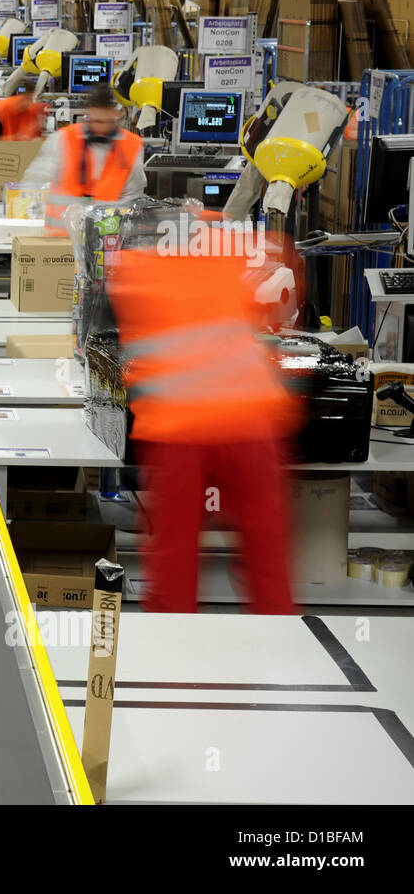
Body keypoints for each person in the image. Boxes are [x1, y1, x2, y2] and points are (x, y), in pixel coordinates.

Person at [105, 220, 301, 614]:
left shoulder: (130, 270)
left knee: (173, 558)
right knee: (267, 558)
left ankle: (171, 661)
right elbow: (285, 265)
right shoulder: (231, 251)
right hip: (249, 420)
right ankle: (280, 646)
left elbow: (125, 347)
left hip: (179, 428)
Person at [22, 83, 145, 234]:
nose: (98, 128)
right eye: (94, 120)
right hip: (58, 238)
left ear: (116, 114)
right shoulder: (63, 139)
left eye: (103, 122)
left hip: (104, 242)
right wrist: (31, 222)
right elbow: (33, 180)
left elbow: (133, 199)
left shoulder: (131, 146)